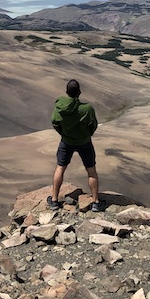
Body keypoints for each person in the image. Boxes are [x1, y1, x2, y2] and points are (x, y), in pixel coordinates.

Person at [47, 78, 105, 212]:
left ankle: (54, 200)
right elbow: (93, 125)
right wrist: (86, 135)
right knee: (91, 171)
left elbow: (55, 122)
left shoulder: (60, 108)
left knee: (60, 168)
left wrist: (64, 133)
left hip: (66, 141)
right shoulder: (87, 109)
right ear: (79, 92)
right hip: (84, 142)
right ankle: (95, 202)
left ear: (66, 92)